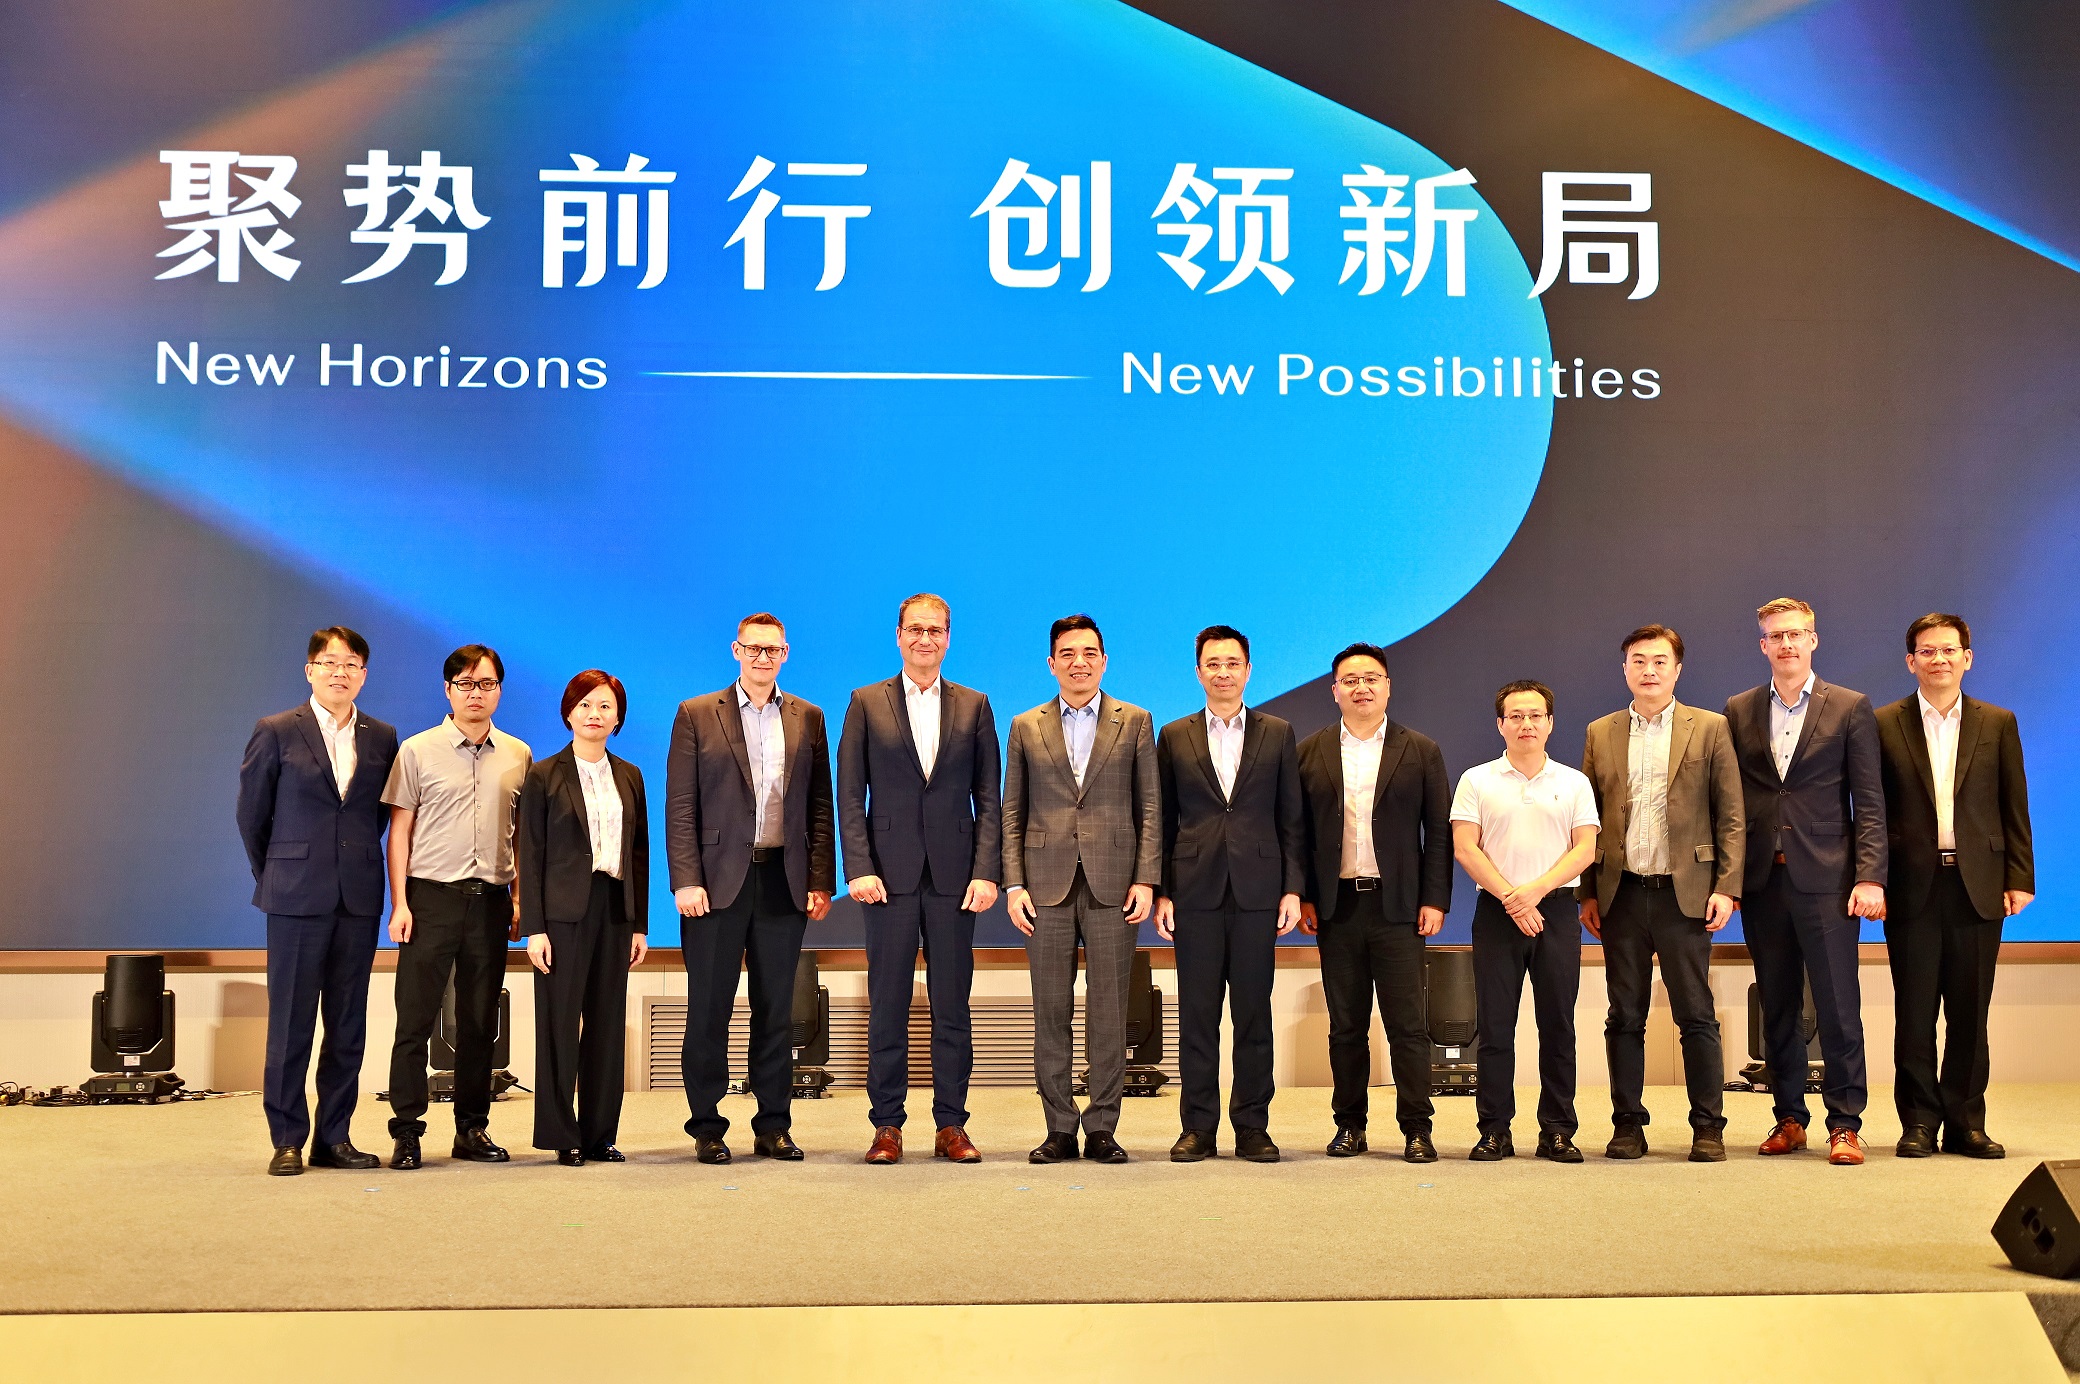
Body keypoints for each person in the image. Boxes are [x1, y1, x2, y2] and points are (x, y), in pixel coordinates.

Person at [837, 594, 1001, 1165]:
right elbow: (849, 794)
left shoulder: (975, 705)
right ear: (899, 635)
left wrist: (987, 871)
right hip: (886, 878)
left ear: (948, 638)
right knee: (888, 1005)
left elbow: (989, 798)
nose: (924, 639)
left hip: (956, 881)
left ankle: (952, 1124)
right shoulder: (865, 702)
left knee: (952, 1007)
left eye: (935, 630)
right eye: (915, 630)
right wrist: (858, 866)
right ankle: (887, 1125)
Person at [1724, 598, 1887, 1166]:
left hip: (1828, 879)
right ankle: (1789, 1118)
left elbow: (1869, 802)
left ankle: (1845, 1124)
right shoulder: (1739, 708)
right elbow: (1733, 801)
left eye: (1796, 634)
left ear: (1813, 640)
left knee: (1839, 1006)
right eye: (1776, 636)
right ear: (1763, 645)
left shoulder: (1849, 706)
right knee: (1778, 1006)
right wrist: (1729, 878)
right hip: (1762, 880)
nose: (1786, 644)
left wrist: (1871, 876)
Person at [667, 613, 834, 1164]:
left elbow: (820, 805)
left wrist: (819, 879)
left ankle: (773, 1125)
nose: (764, 658)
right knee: (708, 1008)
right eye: (754, 648)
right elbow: (681, 805)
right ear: (736, 650)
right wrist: (686, 879)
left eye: (773, 650)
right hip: (714, 885)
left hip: (783, 880)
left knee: (776, 1009)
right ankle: (707, 1126)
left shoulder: (808, 716)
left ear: (786, 653)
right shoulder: (696, 713)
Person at [1577, 626, 1745, 1163]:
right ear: (1624, 668)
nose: (1648, 670)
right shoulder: (1600, 731)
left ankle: (1708, 1127)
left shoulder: (1710, 727)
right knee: (1624, 1015)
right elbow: (1586, 820)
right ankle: (1627, 1124)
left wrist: (1727, 887)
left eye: (1659, 661)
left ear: (1677, 669)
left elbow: (1731, 814)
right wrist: (1587, 892)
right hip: (1621, 893)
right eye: (1638, 661)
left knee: (1696, 1014)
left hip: (1685, 893)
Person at [236, 626, 399, 1177]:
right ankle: (287, 1138)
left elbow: (377, 815)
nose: (340, 673)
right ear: (310, 670)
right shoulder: (277, 730)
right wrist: (280, 872)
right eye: (330, 663)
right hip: (294, 897)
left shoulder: (382, 736)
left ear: (364, 675)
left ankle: (335, 1137)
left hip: (357, 897)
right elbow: (252, 816)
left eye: (351, 664)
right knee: (291, 1023)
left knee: (348, 1024)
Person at [1002, 614, 1160, 1165]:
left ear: (1104, 661)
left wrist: (1146, 878)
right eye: (1068, 653)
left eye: (1090, 652)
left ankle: (1102, 1128)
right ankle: (1059, 1129)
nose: (1079, 662)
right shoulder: (1025, 725)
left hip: (1115, 884)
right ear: (1052, 663)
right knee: (1051, 1011)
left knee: (1108, 1011)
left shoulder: (1135, 720)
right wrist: (1014, 884)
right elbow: (1013, 811)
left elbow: (1149, 806)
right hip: (1043, 886)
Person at [1876, 613, 2033, 1159]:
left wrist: (2020, 877)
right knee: (1914, 1012)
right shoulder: (1883, 723)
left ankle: (1966, 1122)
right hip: (1910, 886)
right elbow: (1871, 812)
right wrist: (1872, 878)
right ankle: (1919, 1121)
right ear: (1910, 661)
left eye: (1949, 650)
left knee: (1970, 1011)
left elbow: (2014, 805)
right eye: (1927, 651)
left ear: (1967, 657)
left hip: (1979, 885)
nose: (1938, 659)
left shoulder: (1998, 722)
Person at [1296, 642, 1453, 1163]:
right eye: (1350, 680)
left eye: (1371, 679)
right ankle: (1350, 1125)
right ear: (1334, 690)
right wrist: (1305, 896)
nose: (1361, 688)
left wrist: (1435, 899)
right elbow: (1298, 834)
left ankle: (1417, 1128)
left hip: (1399, 907)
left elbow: (1438, 832)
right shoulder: (1311, 751)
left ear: (1387, 687)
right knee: (1346, 1027)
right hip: (1337, 907)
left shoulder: (1421, 749)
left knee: (1409, 1026)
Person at [1154, 626, 1305, 1164]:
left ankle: (1252, 1128)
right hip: (1193, 892)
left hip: (1257, 892)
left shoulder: (1277, 732)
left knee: (1253, 1015)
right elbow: (1162, 819)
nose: (1223, 672)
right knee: (1197, 1017)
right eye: (1213, 664)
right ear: (1199, 672)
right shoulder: (1174, 734)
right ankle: (1197, 1127)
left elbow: (1291, 818)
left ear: (1248, 670)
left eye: (1232, 663)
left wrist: (1293, 888)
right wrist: (1163, 892)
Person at [378, 644, 532, 1170]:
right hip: (430, 899)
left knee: (479, 1022)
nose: (475, 693)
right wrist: (399, 903)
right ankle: (407, 1131)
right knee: (415, 1020)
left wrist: (518, 898)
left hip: (490, 902)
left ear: (499, 691)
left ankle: (471, 1128)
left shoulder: (518, 754)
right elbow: (399, 834)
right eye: (465, 684)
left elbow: (521, 836)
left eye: (486, 684)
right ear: (447, 690)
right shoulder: (417, 751)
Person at [1451, 680, 1600, 1163]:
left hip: (1555, 910)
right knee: (1495, 1028)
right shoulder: (1477, 780)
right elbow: (1465, 847)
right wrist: (1512, 898)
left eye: (1536, 715)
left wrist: (1533, 893)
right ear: (1501, 724)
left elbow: (1585, 849)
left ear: (1550, 723)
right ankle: (1494, 1129)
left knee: (1558, 1025)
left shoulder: (1573, 782)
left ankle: (1557, 1130)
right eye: (1515, 716)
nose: (1526, 724)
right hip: (1497, 912)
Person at [518, 670, 649, 1166]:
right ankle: (561, 1133)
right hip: (561, 915)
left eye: (606, 706)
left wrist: (639, 924)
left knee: (606, 1026)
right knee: (558, 1024)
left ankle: (599, 1134)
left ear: (618, 718)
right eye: (586, 705)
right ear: (569, 712)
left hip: (614, 909)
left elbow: (639, 853)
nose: (595, 714)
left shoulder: (630, 775)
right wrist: (534, 928)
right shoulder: (544, 774)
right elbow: (530, 854)